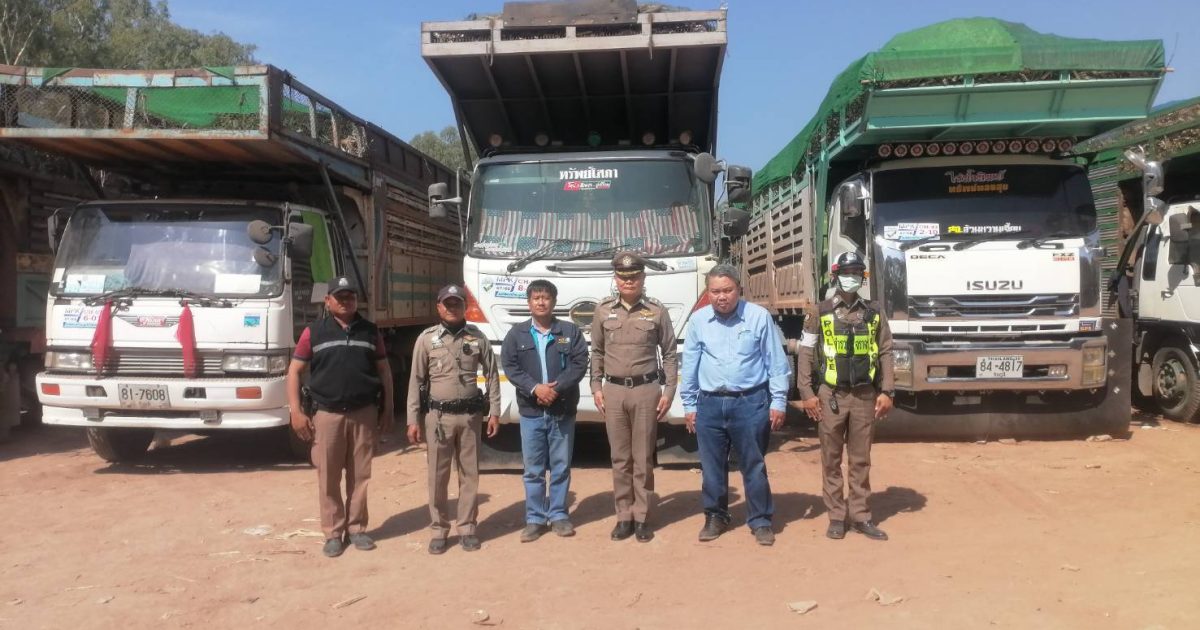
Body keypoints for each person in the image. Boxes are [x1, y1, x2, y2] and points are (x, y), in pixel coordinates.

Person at [681, 264, 791, 546]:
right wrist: (689, 405)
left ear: (739, 290)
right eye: (715, 291)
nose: (721, 297)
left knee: (753, 464)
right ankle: (715, 516)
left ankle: (761, 520)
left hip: (750, 403)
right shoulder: (698, 321)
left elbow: (776, 362)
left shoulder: (758, 317)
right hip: (709, 404)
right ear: (708, 292)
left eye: (727, 290)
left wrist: (778, 401)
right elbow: (690, 363)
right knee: (711, 467)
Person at [287, 275, 394, 558]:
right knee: (328, 477)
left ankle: (357, 528)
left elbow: (384, 371)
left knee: (360, 476)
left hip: (363, 414)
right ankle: (333, 533)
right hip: (327, 414)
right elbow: (294, 371)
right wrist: (296, 411)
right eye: (340, 297)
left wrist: (388, 409)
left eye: (350, 297)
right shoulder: (313, 332)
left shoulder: (370, 332)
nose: (346, 301)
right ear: (328, 300)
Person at [797, 251, 895, 541]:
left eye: (856, 273)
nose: (851, 277)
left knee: (860, 459)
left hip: (865, 396)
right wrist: (806, 393)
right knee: (830, 459)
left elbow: (886, 351)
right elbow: (805, 352)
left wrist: (887, 390)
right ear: (835, 275)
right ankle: (837, 517)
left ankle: (861, 516)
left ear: (863, 277)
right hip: (831, 396)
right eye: (846, 272)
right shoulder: (819, 311)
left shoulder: (874, 312)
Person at [406, 284, 501, 554]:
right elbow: (416, 380)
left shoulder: (477, 337)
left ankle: (467, 527)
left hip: (470, 417)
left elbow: (492, 375)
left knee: (469, 474)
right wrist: (412, 419)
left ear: (464, 306)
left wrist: (494, 411)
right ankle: (439, 529)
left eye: (457, 303)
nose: (452, 308)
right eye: (447, 304)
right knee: (437, 475)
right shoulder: (426, 339)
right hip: (439, 418)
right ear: (439, 307)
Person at [590, 252, 677, 543]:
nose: (629, 282)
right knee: (619, 458)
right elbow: (597, 352)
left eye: (634, 277)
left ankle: (641, 516)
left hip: (646, 391)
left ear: (643, 278)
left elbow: (669, 353)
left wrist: (669, 391)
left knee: (642, 458)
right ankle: (623, 516)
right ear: (616, 279)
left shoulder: (656, 311)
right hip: (613, 391)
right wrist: (596, 387)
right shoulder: (603, 310)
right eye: (623, 277)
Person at [500, 280, 589, 542]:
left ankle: (559, 515)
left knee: (561, 467)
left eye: (546, 297)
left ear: (554, 301)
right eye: (536, 298)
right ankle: (535, 519)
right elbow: (510, 366)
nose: (541, 302)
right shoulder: (516, 334)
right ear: (529, 303)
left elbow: (579, 363)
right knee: (533, 470)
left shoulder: (569, 331)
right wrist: (535, 388)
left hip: (562, 410)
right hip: (531, 412)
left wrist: (556, 388)